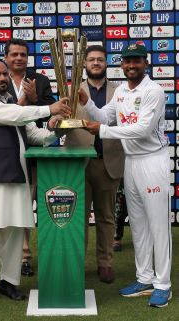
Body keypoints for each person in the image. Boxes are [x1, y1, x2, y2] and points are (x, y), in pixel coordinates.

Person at [0, 58, 70, 311]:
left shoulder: (12, 103)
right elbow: (15, 116)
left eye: (4, 74)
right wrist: (49, 109)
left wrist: (56, 129)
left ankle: (8, 282)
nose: (2, 78)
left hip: (17, 178)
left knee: (12, 235)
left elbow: (33, 134)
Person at [79, 43, 172, 308]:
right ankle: (144, 278)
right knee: (139, 225)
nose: (131, 66)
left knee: (158, 226)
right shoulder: (120, 91)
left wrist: (103, 131)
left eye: (137, 61)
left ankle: (163, 283)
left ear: (145, 63)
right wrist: (88, 106)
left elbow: (142, 130)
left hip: (153, 161)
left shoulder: (154, 90)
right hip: (131, 162)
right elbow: (104, 116)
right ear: (122, 64)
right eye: (127, 61)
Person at [64, 45, 125, 283]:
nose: (96, 63)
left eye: (100, 59)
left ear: (106, 63)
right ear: (85, 64)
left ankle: (105, 263)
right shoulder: (71, 89)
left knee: (106, 217)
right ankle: (77, 263)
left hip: (107, 161)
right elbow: (62, 115)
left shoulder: (119, 92)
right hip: (78, 162)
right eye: (92, 60)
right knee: (78, 218)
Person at [4, 38, 56, 277]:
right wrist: (25, 102)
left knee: (29, 203)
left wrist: (35, 99)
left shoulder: (40, 80)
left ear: (27, 57)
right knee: (6, 207)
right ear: (6, 58)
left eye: (22, 54)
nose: (18, 58)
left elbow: (50, 112)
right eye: (14, 54)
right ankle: (4, 255)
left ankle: (25, 256)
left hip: (34, 151)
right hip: (5, 154)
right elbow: (2, 115)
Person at [113, 178, 128, 252]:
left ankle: (145, 239)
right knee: (119, 207)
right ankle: (117, 239)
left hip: (140, 172)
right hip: (120, 174)